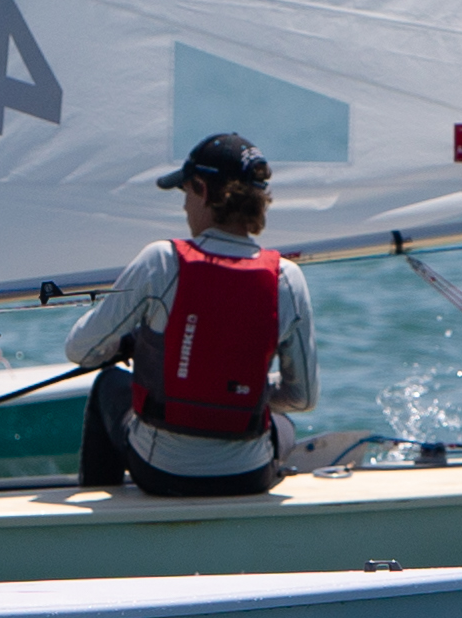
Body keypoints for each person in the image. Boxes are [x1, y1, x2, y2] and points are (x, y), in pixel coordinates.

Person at [65, 132, 318, 498]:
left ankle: (101, 524)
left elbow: (80, 350)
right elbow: (302, 398)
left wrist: (130, 348)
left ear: (202, 189)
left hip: (161, 474)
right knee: (285, 424)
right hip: (248, 476)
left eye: (185, 193)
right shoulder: (287, 278)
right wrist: (243, 392)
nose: (184, 207)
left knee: (109, 384)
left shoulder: (161, 262)